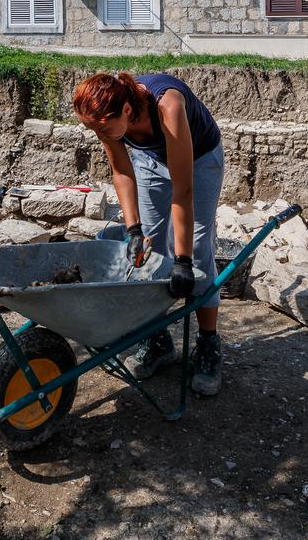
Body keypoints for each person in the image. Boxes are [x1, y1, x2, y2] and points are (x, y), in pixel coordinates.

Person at [73, 71, 226, 396]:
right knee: (149, 252)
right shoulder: (107, 117)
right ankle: (157, 340)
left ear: (126, 111)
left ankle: (209, 344)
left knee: (197, 250)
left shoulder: (168, 106)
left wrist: (182, 261)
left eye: (100, 128)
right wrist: (134, 230)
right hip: (149, 160)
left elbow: (182, 191)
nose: (97, 134)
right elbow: (122, 172)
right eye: (92, 128)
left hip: (198, 159)